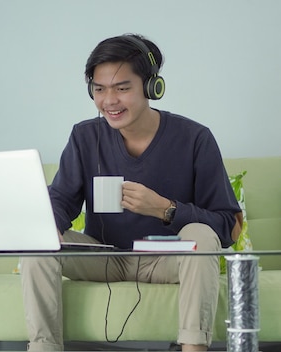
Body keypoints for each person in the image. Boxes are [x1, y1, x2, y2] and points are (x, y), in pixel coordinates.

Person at [20, 34, 243, 352]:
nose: (109, 101)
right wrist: (49, 226)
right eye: (99, 89)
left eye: (122, 88)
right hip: (104, 257)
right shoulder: (85, 137)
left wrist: (167, 209)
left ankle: (194, 347)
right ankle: (44, 348)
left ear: (152, 87)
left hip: (165, 259)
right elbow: (63, 198)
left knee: (202, 238)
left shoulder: (195, 138)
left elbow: (226, 225)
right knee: (38, 246)